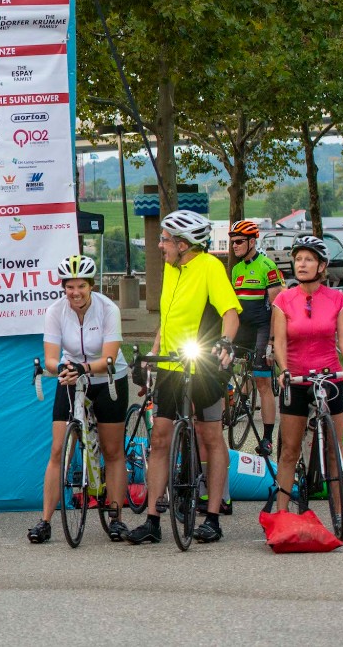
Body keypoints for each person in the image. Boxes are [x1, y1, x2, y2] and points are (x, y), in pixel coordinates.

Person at [127, 210, 240, 545]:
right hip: (170, 366)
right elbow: (167, 319)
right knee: (160, 437)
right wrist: (152, 356)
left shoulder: (210, 267)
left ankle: (213, 517)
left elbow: (230, 313)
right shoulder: (169, 269)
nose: (159, 245)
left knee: (210, 436)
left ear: (182, 244)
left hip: (203, 364)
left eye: (164, 240)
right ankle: (152, 519)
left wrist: (226, 342)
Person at [28, 255, 128, 543]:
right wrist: (61, 367)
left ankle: (116, 518)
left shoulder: (108, 309)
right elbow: (50, 357)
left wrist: (83, 368)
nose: (75, 293)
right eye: (70, 287)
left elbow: (109, 357)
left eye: (81, 286)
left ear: (91, 285)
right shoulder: (56, 311)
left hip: (108, 378)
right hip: (71, 378)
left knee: (112, 450)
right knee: (58, 449)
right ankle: (45, 521)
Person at [271, 235, 343, 520]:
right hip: (295, 379)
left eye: (308, 259)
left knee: (334, 451)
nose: (302, 264)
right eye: (298, 259)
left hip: (329, 378)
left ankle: (340, 516)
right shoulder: (284, 299)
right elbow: (280, 342)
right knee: (289, 450)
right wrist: (283, 369)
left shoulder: (337, 299)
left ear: (321, 266)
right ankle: (282, 515)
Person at [228, 220, 285, 455]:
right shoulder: (236, 269)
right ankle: (237, 401)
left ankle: (267, 438)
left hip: (263, 327)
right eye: (232, 242)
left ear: (252, 242)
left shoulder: (267, 266)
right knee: (222, 368)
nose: (234, 245)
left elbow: (277, 308)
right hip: (243, 328)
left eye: (239, 241)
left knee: (262, 381)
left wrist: (272, 341)